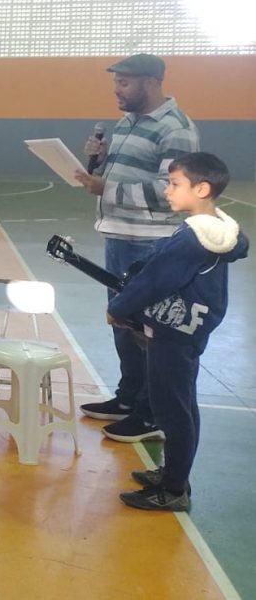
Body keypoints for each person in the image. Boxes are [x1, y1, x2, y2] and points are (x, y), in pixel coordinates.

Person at [105, 153, 248, 512]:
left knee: (173, 409)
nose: (167, 190)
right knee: (181, 403)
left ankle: (172, 489)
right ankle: (174, 473)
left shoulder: (192, 239)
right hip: (190, 327)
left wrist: (118, 308)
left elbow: (155, 280)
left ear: (202, 188)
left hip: (174, 331)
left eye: (175, 184)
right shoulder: (216, 228)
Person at [73, 54, 200, 444]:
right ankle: (129, 398)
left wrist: (106, 189)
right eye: (116, 82)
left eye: (125, 83)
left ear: (151, 82)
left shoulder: (176, 130)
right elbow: (124, 173)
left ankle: (151, 414)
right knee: (123, 324)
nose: (117, 90)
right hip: (120, 236)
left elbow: (171, 193)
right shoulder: (128, 122)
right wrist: (98, 160)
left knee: (149, 330)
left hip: (151, 244)